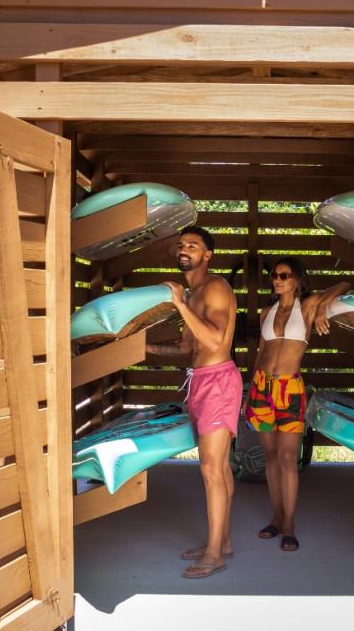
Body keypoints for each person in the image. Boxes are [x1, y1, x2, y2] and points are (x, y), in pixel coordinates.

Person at [146, 225, 241, 579]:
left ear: (207, 255)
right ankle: (223, 542)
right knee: (220, 468)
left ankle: (215, 554)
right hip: (200, 382)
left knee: (210, 469)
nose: (185, 248)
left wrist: (179, 305)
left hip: (219, 382)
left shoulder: (216, 287)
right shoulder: (192, 294)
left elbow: (215, 341)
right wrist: (146, 348)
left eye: (194, 244)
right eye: (181, 244)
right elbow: (187, 348)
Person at [245, 256, 349, 553]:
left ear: (297, 280)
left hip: (289, 388)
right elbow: (261, 353)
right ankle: (276, 517)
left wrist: (322, 310)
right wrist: (251, 388)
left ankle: (289, 524)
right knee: (271, 457)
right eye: (274, 276)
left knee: (289, 459)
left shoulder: (308, 306)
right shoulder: (267, 311)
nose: (277, 280)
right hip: (262, 388)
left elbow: (344, 283)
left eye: (284, 275)